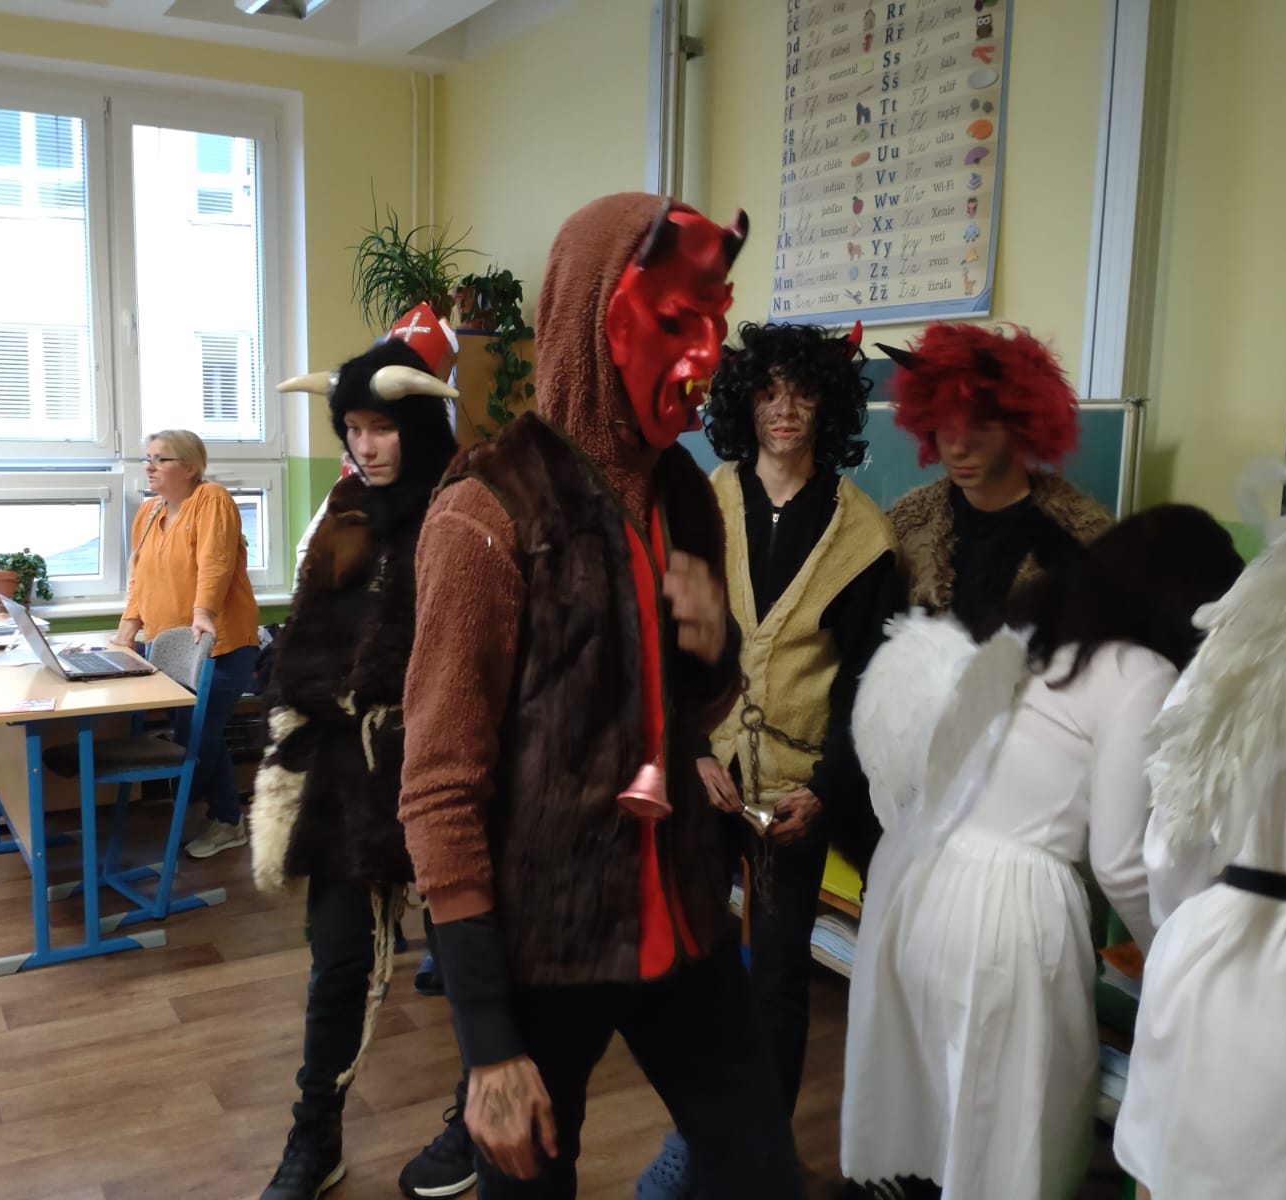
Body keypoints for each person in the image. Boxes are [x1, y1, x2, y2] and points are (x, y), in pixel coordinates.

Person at [397, 193, 807, 1200]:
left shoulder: (687, 497)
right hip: (545, 943)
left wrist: (712, 647)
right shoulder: (486, 512)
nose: (703, 354)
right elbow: (439, 785)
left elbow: (695, 705)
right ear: (593, 317)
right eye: (673, 319)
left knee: (762, 1173)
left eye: (711, 320)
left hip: (685, 921)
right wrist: (488, 1046)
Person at [840, 505, 1243, 1200]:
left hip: (923, 876)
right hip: (1006, 909)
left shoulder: (1030, 633)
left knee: (939, 1105)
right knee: (1005, 1127)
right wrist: (1176, 958)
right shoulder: (1139, 673)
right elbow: (1120, 860)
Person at [636, 321, 902, 1199]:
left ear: (828, 407)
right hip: (705, 776)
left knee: (781, 983)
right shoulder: (699, 504)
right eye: (768, 392)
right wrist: (691, 751)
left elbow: (868, 684)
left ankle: (759, 1157)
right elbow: (663, 642)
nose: (784, 410)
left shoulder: (865, 537)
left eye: (802, 393)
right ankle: (696, 1136)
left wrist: (824, 790)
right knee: (694, 964)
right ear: (744, 404)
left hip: (800, 790)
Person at [251, 303, 477, 1200]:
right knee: (337, 962)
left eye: (380, 427)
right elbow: (308, 637)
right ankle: (314, 1138)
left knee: (470, 961)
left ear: (414, 425)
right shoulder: (343, 510)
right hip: (350, 779)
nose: (365, 446)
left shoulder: (464, 509)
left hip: (446, 773)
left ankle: (478, 1120)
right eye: (352, 428)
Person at [1115, 460, 1286, 1199]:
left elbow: (1172, 838)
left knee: (1167, 1170)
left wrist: (1188, 928)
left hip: (1204, 959)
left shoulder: (1229, 660)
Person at [880, 323, 1112, 640]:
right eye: (945, 424)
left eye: (981, 425)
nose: (959, 446)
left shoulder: (1084, 537)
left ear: (1021, 428)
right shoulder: (906, 525)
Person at [113, 428, 260, 858]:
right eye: (148, 458)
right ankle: (227, 819)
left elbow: (216, 561)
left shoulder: (211, 499)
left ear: (191, 468)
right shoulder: (148, 513)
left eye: (161, 459)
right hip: (169, 649)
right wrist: (128, 628)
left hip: (219, 645)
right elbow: (140, 578)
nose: (150, 466)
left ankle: (212, 815)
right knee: (201, 735)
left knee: (196, 737)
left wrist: (203, 613)